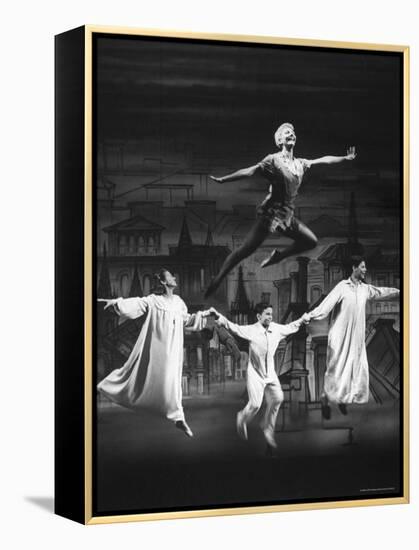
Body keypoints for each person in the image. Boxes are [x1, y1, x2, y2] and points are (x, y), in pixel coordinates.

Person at [204, 122, 356, 297]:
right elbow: (250, 171)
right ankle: (218, 279)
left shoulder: (300, 164)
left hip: (287, 215)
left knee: (310, 241)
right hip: (271, 214)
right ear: (280, 140)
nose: (291, 134)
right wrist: (224, 180)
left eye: (292, 132)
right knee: (245, 250)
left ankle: (278, 256)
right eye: (286, 133)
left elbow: (323, 160)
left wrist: (345, 158)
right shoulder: (273, 160)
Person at [97, 269, 214, 438]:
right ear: (164, 282)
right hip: (158, 347)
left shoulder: (179, 302)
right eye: (170, 276)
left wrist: (202, 316)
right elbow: (135, 304)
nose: (174, 277)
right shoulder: (154, 300)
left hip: (173, 349)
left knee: (173, 381)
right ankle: (109, 387)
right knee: (144, 375)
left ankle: (178, 417)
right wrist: (115, 303)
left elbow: (186, 319)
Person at [307, 257, 400, 419]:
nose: (365, 270)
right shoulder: (342, 287)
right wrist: (309, 316)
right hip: (339, 335)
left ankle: (343, 399)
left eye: (365, 267)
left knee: (354, 367)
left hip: (356, 337)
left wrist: (400, 291)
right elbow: (325, 306)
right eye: (362, 267)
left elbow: (380, 292)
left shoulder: (365, 289)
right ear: (354, 267)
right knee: (335, 368)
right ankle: (325, 400)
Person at [214, 303, 310, 449]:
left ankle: (267, 427)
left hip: (270, 373)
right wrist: (220, 318)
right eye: (267, 314)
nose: (270, 317)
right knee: (255, 405)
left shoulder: (276, 329)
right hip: (255, 373)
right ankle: (242, 418)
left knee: (278, 398)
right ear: (259, 316)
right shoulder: (252, 330)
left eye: (271, 314)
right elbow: (234, 327)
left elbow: (290, 327)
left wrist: (302, 319)